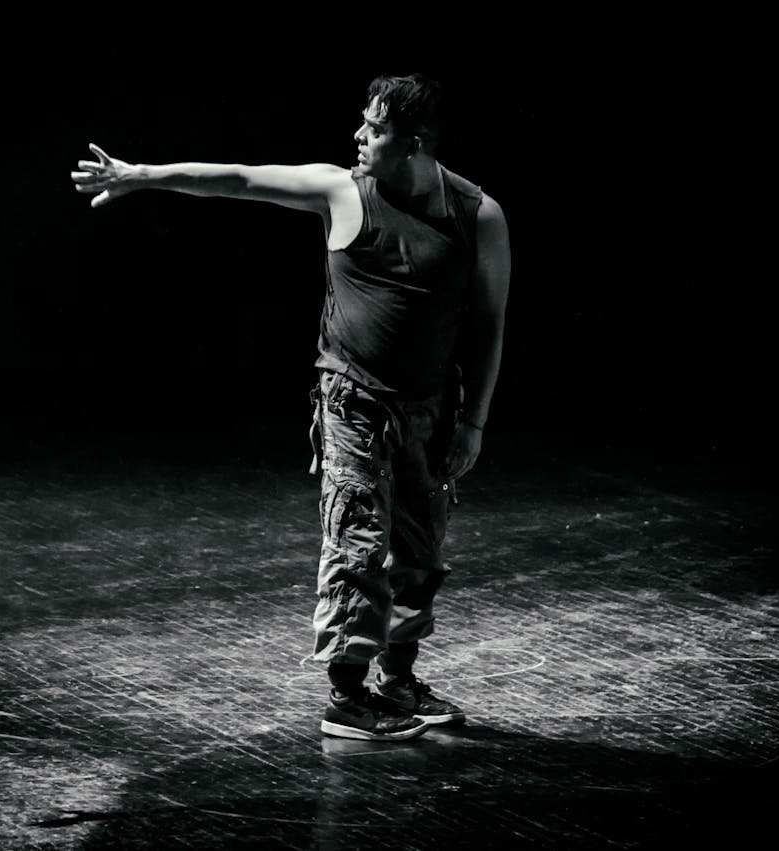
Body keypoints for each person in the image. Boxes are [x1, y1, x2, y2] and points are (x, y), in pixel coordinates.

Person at [71, 73, 510, 742]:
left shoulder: (477, 215)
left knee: (419, 552)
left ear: (414, 142)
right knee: (358, 541)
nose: (358, 136)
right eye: (362, 123)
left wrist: (473, 421)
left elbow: (489, 323)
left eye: (375, 128)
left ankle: (398, 682)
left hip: (430, 413)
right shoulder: (342, 192)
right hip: (352, 402)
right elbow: (241, 179)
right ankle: (347, 697)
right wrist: (141, 174)